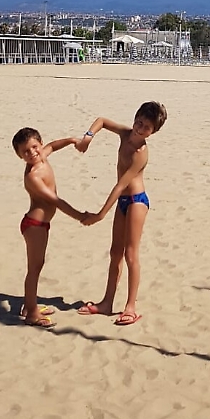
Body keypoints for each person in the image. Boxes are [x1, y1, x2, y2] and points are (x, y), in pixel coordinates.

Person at [75, 101, 168, 326]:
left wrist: (99, 215)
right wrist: (88, 136)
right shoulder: (125, 134)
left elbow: (120, 185)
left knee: (130, 254)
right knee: (115, 252)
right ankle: (107, 303)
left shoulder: (140, 154)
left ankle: (131, 306)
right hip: (123, 202)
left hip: (136, 201)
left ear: (153, 132)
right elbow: (102, 121)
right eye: (139, 122)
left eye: (146, 127)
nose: (140, 128)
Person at [12, 127, 83, 328]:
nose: (32, 153)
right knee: (34, 269)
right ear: (19, 155)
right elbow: (55, 200)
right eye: (25, 151)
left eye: (35, 147)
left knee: (37, 265)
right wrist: (80, 216)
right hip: (34, 225)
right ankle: (32, 314)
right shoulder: (33, 176)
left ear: (40, 144)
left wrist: (70, 140)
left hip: (42, 224)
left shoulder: (42, 155)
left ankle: (29, 305)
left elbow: (53, 146)